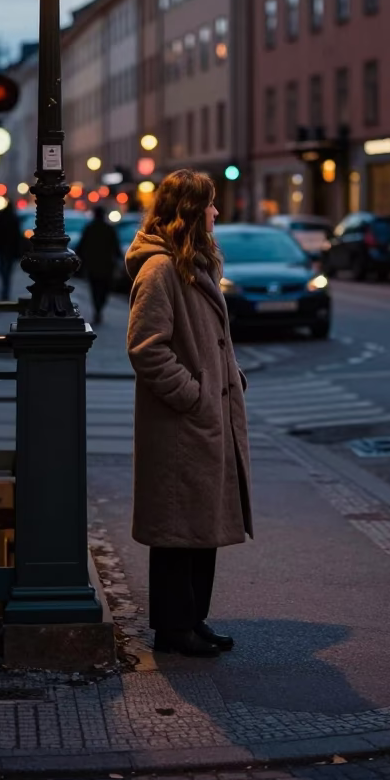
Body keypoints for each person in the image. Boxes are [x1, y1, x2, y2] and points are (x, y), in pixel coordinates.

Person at [126, 169, 253, 657]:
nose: (217, 213)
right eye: (210, 205)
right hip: (181, 423)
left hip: (203, 417)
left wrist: (229, 374)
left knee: (201, 526)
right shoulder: (159, 269)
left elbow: (208, 339)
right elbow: (146, 348)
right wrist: (194, 393)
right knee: (179, 529)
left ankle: (193, 620)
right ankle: (173, 627)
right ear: (191, 213)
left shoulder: (191, 264)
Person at [75, 205, 122, 325]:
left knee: (95, 288)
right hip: (106, 264)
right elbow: (116, 246)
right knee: (104, 288)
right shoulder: (108, 228)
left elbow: (81, 246)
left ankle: (98, 308)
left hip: (93, 264)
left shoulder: (90, 228)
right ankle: (99, 307)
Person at [0, 201, 22, 300]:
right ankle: (5, 291)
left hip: (2, 249)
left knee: (3, 270)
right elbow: (17, 237)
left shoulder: (1, 218)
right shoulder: (13, 219)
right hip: (9, 250)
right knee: (7, 272)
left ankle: (4, 291)